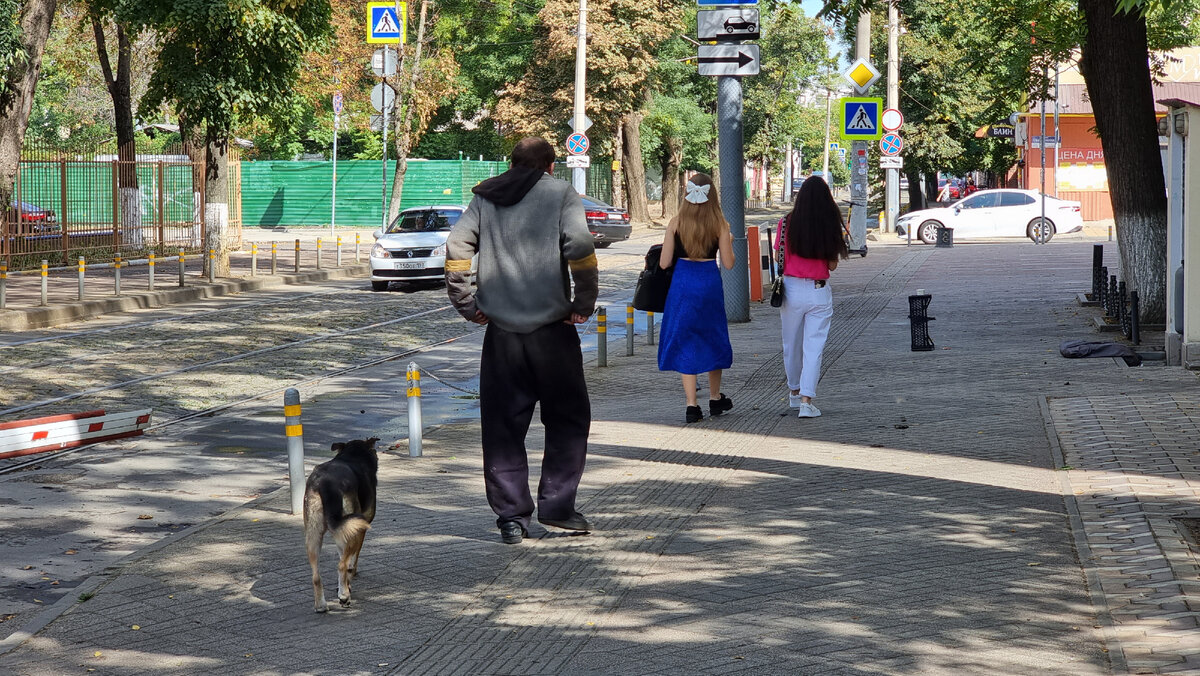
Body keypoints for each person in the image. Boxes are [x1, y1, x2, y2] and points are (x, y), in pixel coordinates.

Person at [444, 137, 599, 545]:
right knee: (567, 422)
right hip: (554, 334)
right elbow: (581, 249)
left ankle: (512, 518)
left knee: (502, 429)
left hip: (502, 338)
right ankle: (558, 507)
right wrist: (582, 302)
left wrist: (466, 302)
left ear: (513, 165)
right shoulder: (562, 194)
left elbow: (456, 247)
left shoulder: (486, 197)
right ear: (550, 166)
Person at [656, 173, 735, 424]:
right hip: (708, 282)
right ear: (712, 195)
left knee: (685, 338)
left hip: (682, 283)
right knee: (713, 336)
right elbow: (730, 264)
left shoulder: (676, 222)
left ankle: (691, 406)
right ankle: (714, 397)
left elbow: (664, 262)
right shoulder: (720, 224)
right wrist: (729, 241)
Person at [777, 175, 849, 418]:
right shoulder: (829, 225)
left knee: (791, 345)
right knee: (813, 347)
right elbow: (832, 265)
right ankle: (807, 401)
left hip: (791, 289)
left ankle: (794, 393)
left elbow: (781, 257)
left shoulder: (786, 223)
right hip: (819, 290)